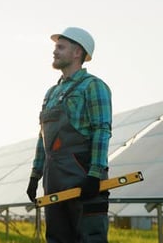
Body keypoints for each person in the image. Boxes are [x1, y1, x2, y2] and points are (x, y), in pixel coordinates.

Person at [26, 27, 112, 243]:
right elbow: (42, 137)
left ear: (77, 52)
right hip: (54, 180)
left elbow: (101, 131)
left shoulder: (93, 86)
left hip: (84, 178)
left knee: (90, 238)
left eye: (60, 47)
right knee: (57, 238)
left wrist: (94, 174)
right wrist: (35, 175)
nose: (55, 51)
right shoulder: (52, 93)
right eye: (56, 47)